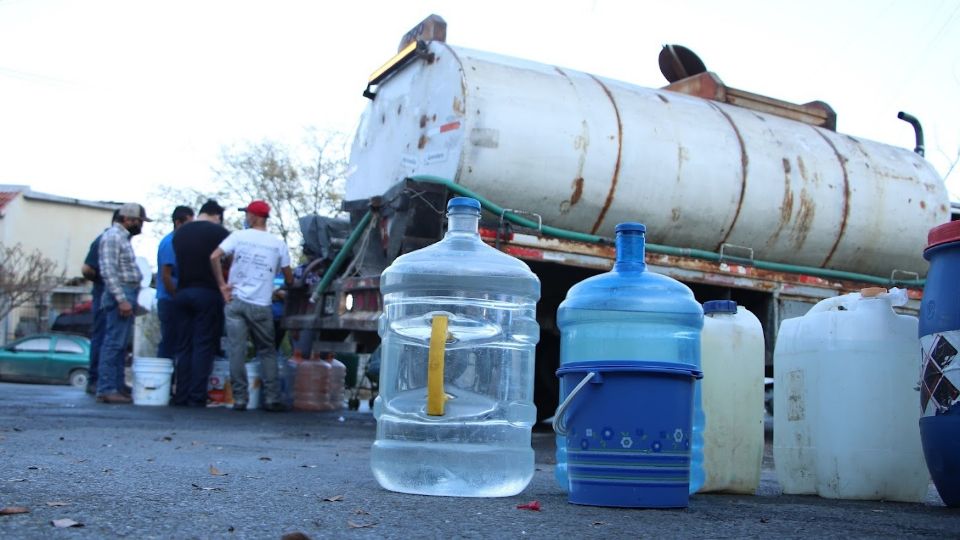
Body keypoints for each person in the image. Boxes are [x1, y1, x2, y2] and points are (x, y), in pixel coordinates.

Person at [211, 200, 293, 412]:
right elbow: (289, 278)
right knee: (267, 351)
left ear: (255, 216)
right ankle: (272, 398)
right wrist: (277, 289)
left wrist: (222, 286)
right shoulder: (278, 244)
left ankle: (240, 399)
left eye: (247, 214)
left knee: (236, 350)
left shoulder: (239, 236)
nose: (246, 217)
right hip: (261, 305)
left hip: (235, 301)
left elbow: (214, 256)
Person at [172, 199, 228, 407]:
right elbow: (229, 259)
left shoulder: (180, 234)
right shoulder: (219, 233)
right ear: (217, 216)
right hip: (207, 292)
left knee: (184, 345)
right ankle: (197, 396)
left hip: (183, 292)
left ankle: (181, 394)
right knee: (203, 344)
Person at [97, 202, 151, 404]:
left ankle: (116, 386)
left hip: (127, 292)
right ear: (127, 219)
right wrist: (121, 299)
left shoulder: (120, 237)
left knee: (119, 345)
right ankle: (107, 388)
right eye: (138, 221)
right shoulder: (113, 237)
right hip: (121, 293)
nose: (140, 225)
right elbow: (108, 271)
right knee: (113, 343)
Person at [80, 209, 121, 395]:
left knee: (109, 338)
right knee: (104, 337)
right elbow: (87, 268)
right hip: (104, 295)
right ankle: (96, 379)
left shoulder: (113, 239)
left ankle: (109, 380)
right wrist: (101, 279)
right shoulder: (106, 239)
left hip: (105, 293)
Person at [156, 205, 194, 360]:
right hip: (169, 301)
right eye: (188, 224)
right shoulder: (170, 243)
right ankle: (164, 379)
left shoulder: (182, 242)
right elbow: (166, 276)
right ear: (178, 223)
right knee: (169, 343)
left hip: (176, 298)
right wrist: (177, 297)